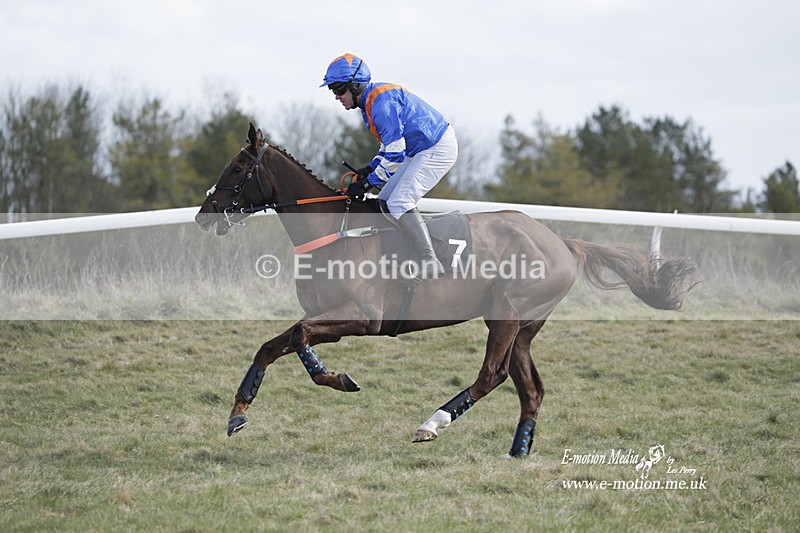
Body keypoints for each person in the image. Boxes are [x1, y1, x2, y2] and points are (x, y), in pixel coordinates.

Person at [320, 53, 458, 278]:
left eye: (338, 89)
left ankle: (430, 261)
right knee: (384, 202)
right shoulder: (370, 103)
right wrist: (369, 169)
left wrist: (367, 184)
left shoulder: (380, 105)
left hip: (436, 147)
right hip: (419, 149)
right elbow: (389, 146)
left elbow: (396, 154)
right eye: (332, 90)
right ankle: (402, 258)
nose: (336, 96)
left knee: (399, 202)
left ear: (355, 86)